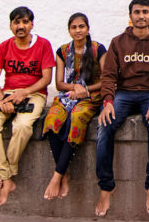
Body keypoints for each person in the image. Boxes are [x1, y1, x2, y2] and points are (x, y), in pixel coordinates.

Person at [95, 0, 149, 217]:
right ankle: (106, 187)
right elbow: (109, 75)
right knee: (104, 127)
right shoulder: (118, 42)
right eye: (137, 12)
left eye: (145, 12)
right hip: (124, 94)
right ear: (130, 16)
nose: (141, 16)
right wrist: (108, 101)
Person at [0, 6, 54, 207]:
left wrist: (24, 92)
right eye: (16, 22)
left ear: (32, 24)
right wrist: (2, 99)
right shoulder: (4, 46)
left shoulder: (43, 45)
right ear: (11, 25)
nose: (20, 26)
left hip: (34, 94)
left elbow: (46, 79)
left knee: (22, 127)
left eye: (24, 22)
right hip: (6, 94)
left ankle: (2, 175)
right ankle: (6, 177)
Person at [41, 12, 107, 200]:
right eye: (74, 27)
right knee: (52, 120)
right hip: (67, 95)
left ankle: (57, 176)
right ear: (69, 30)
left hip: (91, 96)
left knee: (77, 118)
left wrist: (85, 90)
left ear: (87, 29)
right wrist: (75, 88)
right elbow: (59, 84)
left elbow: (108, 78)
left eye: (81, 27)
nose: (77, 30)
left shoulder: (97, 49)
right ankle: (64, 172)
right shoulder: (62, 51)